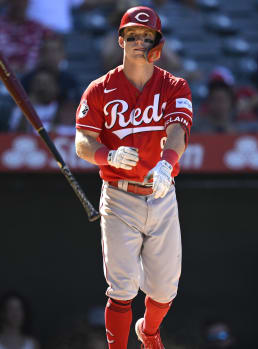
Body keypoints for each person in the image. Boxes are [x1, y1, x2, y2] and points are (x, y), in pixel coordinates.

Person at [74, 6, 193, 349]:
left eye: (146, 37)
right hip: (119, 193)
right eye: (132, 36)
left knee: (165, 288)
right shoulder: (100, 89)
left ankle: (150, 332)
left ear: (158, 42)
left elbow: (177, 132)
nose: (139, 42)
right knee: (122, 287)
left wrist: (166, 164)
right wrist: (106, 155)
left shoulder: (174, 85)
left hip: (160, 190)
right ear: (120, 40)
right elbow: (83, 141)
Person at [0, 0, 54, 77]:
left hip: (32, 78)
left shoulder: (39, 28)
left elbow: (54, 50)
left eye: (23, 0)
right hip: (1, 76)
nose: (20, 4)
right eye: (16, 0)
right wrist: (4, 71)